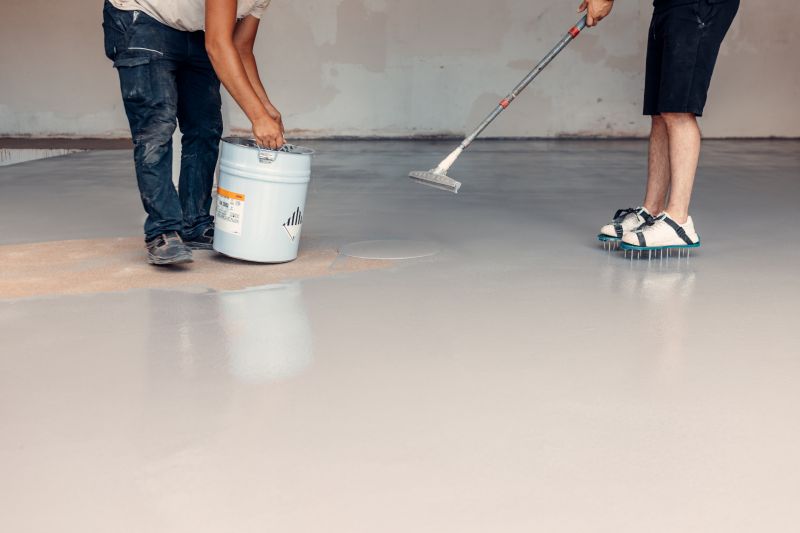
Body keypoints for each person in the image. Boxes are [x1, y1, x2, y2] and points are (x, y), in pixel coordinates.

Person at [102, 0, 285, 265]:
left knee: (205, 125)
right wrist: (256, 117)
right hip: (142, 16)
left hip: (196, 30)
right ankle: (162, 231)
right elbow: (218, 46)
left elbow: (241, 47)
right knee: (157, 126)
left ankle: (194, 223)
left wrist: (265, 107)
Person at [589, 0, 740, 251]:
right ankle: (653, 210)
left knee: (678, 110)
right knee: (661, 112)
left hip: (699, 5)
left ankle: (679, 222)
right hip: (669, 5)